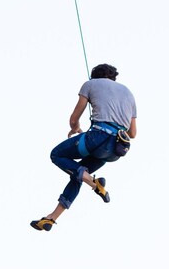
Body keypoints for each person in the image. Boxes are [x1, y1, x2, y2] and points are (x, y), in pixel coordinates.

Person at [30, 63, 137, 231]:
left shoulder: (90, 84)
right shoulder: (129, 94)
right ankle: (51, 218)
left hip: (97, 138)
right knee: (78, 174)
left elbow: (74, 120)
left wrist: (75, 128)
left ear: (95, 76)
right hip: (115, 150)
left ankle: (94, 184)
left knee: (57, 155)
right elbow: (133, 133)